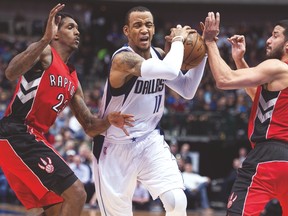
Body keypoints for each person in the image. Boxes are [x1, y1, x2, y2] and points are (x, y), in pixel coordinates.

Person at [0, 4, 134, 216]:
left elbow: (90, 126)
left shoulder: (73, 80)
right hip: (16, 131)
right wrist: (43, 40)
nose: (77, 31)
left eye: (78, 28)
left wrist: (109, 119)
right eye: (71, 27)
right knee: (77, 193)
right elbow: (10, 72)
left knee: (58, 207)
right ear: (55, 34)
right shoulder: (45, 52)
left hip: (32, 137)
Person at [92, 6, 207, 216]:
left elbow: (187, 90)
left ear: (154, 30)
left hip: (149, 140)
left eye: (148, 24)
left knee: (177, 202)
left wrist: (204, 50)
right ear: (126, 31)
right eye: (137, 25)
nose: (144, 29)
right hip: (114, 147)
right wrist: (180, 41)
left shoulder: (159, 54)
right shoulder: (123, 60)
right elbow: (170, 69)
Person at [202, 12, 288, 215]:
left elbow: (224, 79)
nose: (268, 40)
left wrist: (210, 42)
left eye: (275, 35)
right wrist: (239, 61)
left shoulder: (277, 66)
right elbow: (261, 99)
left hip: (268, 157)